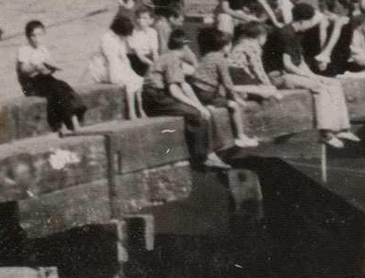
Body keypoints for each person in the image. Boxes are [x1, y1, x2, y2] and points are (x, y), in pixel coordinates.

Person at [265, 4, 358, 147]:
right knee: (319, 88)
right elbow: (287, 64)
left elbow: (300, 61)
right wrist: (309, 78)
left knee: (334, 83)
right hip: (278, 76)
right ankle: (325, 133)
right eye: (310, 21)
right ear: (303, 21)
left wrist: (313, 75)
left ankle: (342, 128)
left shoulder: (297, 34)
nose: (311, 25)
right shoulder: (284, 34)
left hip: (291, 73)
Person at [143, 27, 228, 169]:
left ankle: (213, 150)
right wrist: (197, 107)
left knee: (202, 110)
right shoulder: (172, 59)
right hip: (155, 98)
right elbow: (174, 90)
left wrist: (199, 105)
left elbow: (185, 86)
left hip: (159, 96)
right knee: (196, 114)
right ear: (185, 47)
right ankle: (203, 156)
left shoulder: (169, 56)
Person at [187, 26, 261, 149]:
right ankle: (240, 137)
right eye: (229, 45)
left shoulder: (207, 56)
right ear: (225, 46)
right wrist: (236, 98)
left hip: (197, 91)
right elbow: (227, 83)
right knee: (234, 106)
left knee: (220, 99)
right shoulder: (220, 59)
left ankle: (210, 104)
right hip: (206, 92)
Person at [16, 20, 85, 134]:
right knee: (56, 89)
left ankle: (72, 119)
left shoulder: (43, 49)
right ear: (28, 36)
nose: (36, 38)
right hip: (30, 84)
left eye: (39, 35)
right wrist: (37, 66)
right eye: (33, 35)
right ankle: (68, 123)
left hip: (43, 79)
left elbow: (47, 70)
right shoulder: (24, 49)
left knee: (63, 86)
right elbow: (24, 70)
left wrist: (51, 68)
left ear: (44, 35)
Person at [95, 11, 146, 120]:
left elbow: (123, 57)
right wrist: (115, 77)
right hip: (105, 69)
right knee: (129, 83)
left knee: (138, 79)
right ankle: (132, 112)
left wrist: (129, 71)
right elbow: (111, 61)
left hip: (118, 66)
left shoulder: (119, 38)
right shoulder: (106, 38)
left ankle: (141, 110)